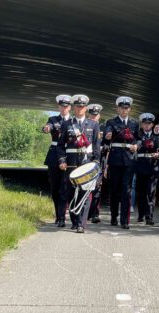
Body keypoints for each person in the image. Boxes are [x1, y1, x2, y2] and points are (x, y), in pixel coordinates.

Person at [56, 94, 101, 233]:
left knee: (85, 193)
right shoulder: (66, 124)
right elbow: (60, 145)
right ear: (74, 108)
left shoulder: (93, 124)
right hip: (70, 162)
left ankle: (82, 223)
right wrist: (62, 161)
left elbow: (96, 146)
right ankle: (75, 221)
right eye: (77, 106)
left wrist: (96, 163)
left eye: (82, 107)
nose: (79, 109)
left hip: (86, 163)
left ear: (85, 108)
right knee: (71, 193)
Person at [104, 96, 140, 229]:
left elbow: (139, 139)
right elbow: (107, 135)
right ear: (117, 108)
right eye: (122, 108)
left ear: (129, 109)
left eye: (126, 108)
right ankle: (114, 216)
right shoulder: (111, 122)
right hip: (115, 159)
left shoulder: (134, 123)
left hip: (129, 160)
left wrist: (137, 146)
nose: (124, 110)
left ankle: (125, 220)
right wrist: (108, 136)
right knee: (114, 189)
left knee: (127, 190)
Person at [42, 94, 72, 227]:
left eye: (66, 106)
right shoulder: (53, 119)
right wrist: (46, 128)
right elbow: (47, 126)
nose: (64, 108)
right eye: (61, 106)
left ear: (69, 107)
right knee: (55, 188)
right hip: (54, 156)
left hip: (69, 155)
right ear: (58, 107)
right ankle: (58, 214)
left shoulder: (73, 121)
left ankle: (62, 217)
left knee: (65, 187)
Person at [135, 112, 159, 225]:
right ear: (142, 124)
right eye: (144, 123)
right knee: (140, 192)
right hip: (140, 165)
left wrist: (157, 154)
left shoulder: (157, 136)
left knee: (151, 192)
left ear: (152, 124)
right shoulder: (137, 135)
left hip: (152, 166)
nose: (146, 126)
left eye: (149, 123)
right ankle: (141, 215)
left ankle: (149, 216)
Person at [86, 103, 103, 223]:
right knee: (87, 186)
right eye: (92, 115)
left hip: (100, 159)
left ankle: (95, 213)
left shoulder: (104, 127)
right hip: (88, 158)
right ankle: (86, 213)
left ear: (99, 116)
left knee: (97, 187)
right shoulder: (84, 125)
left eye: (96, 115)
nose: (94, 117)